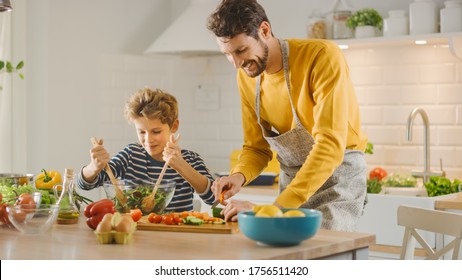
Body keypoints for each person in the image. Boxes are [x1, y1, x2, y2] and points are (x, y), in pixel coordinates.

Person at [207, 0, 368, 231]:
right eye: (227, 54)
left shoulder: (321, 57)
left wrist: (275, 209)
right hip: (292, 180)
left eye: (241, 50)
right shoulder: (246, 77)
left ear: (264, 30)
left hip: (338, 179)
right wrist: (239, 176)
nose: (236, 63)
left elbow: (330, 146)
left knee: (323, 254)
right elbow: (256, 149)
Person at [76, 88, 215, 212]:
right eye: (142, 132)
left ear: (174, 126)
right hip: (135, 233)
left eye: (156, 131)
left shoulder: (191, 159)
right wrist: (93, 167)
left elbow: (213, 198)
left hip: (177, 235)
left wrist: (181, 166)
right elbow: (85, 184)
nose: (148, 140)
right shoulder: (131, 155)